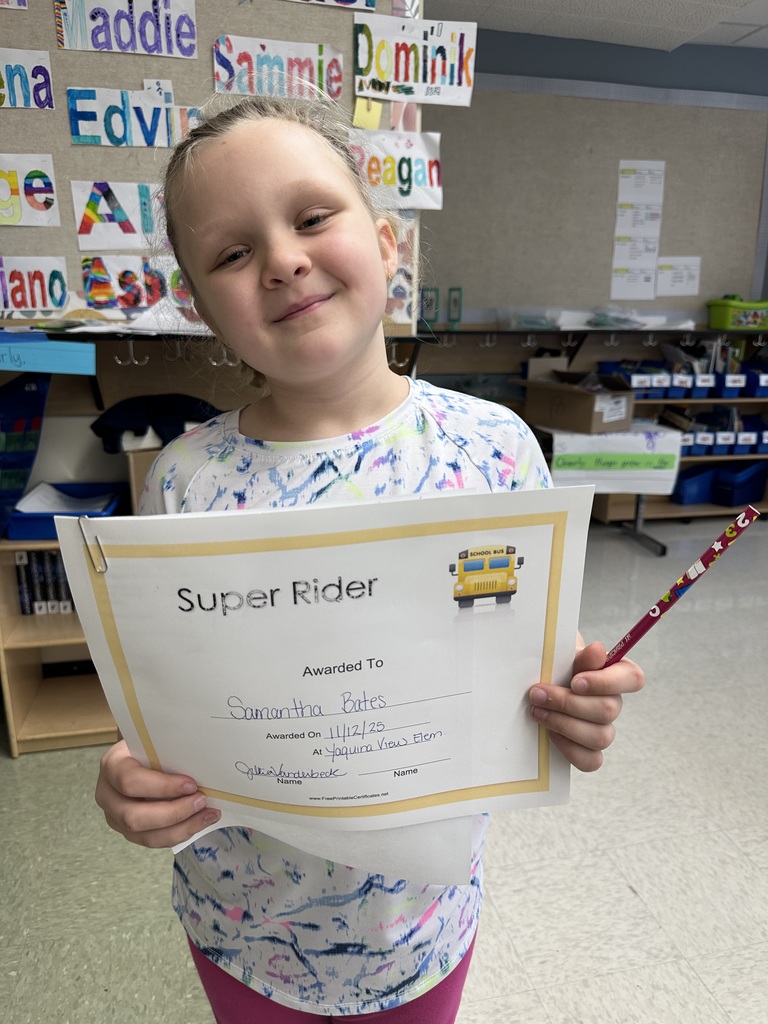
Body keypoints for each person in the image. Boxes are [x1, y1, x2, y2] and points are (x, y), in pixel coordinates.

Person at [95, 95, 645, 1023]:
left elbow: (523, 651)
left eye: (313, 218)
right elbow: (170, 704)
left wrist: (571, 703)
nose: (282, 259)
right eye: (232, 253)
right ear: (199, 306)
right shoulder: (186, 480)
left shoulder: (495, 448)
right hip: (243, 924)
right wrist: (129, 780)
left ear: (388, 243)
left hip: (420, 923)